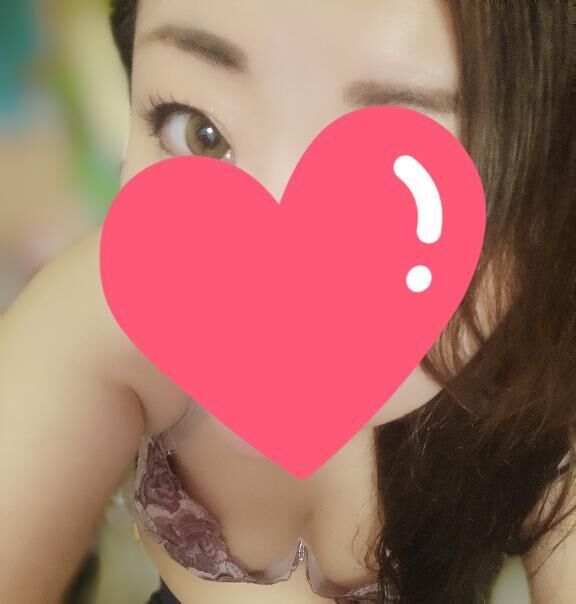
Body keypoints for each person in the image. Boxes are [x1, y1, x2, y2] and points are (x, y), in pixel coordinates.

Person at [1, 1, 575, 602]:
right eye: (200, 131)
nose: (266, 279)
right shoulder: (118, 302)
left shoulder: (546, 380)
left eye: (392, 191)